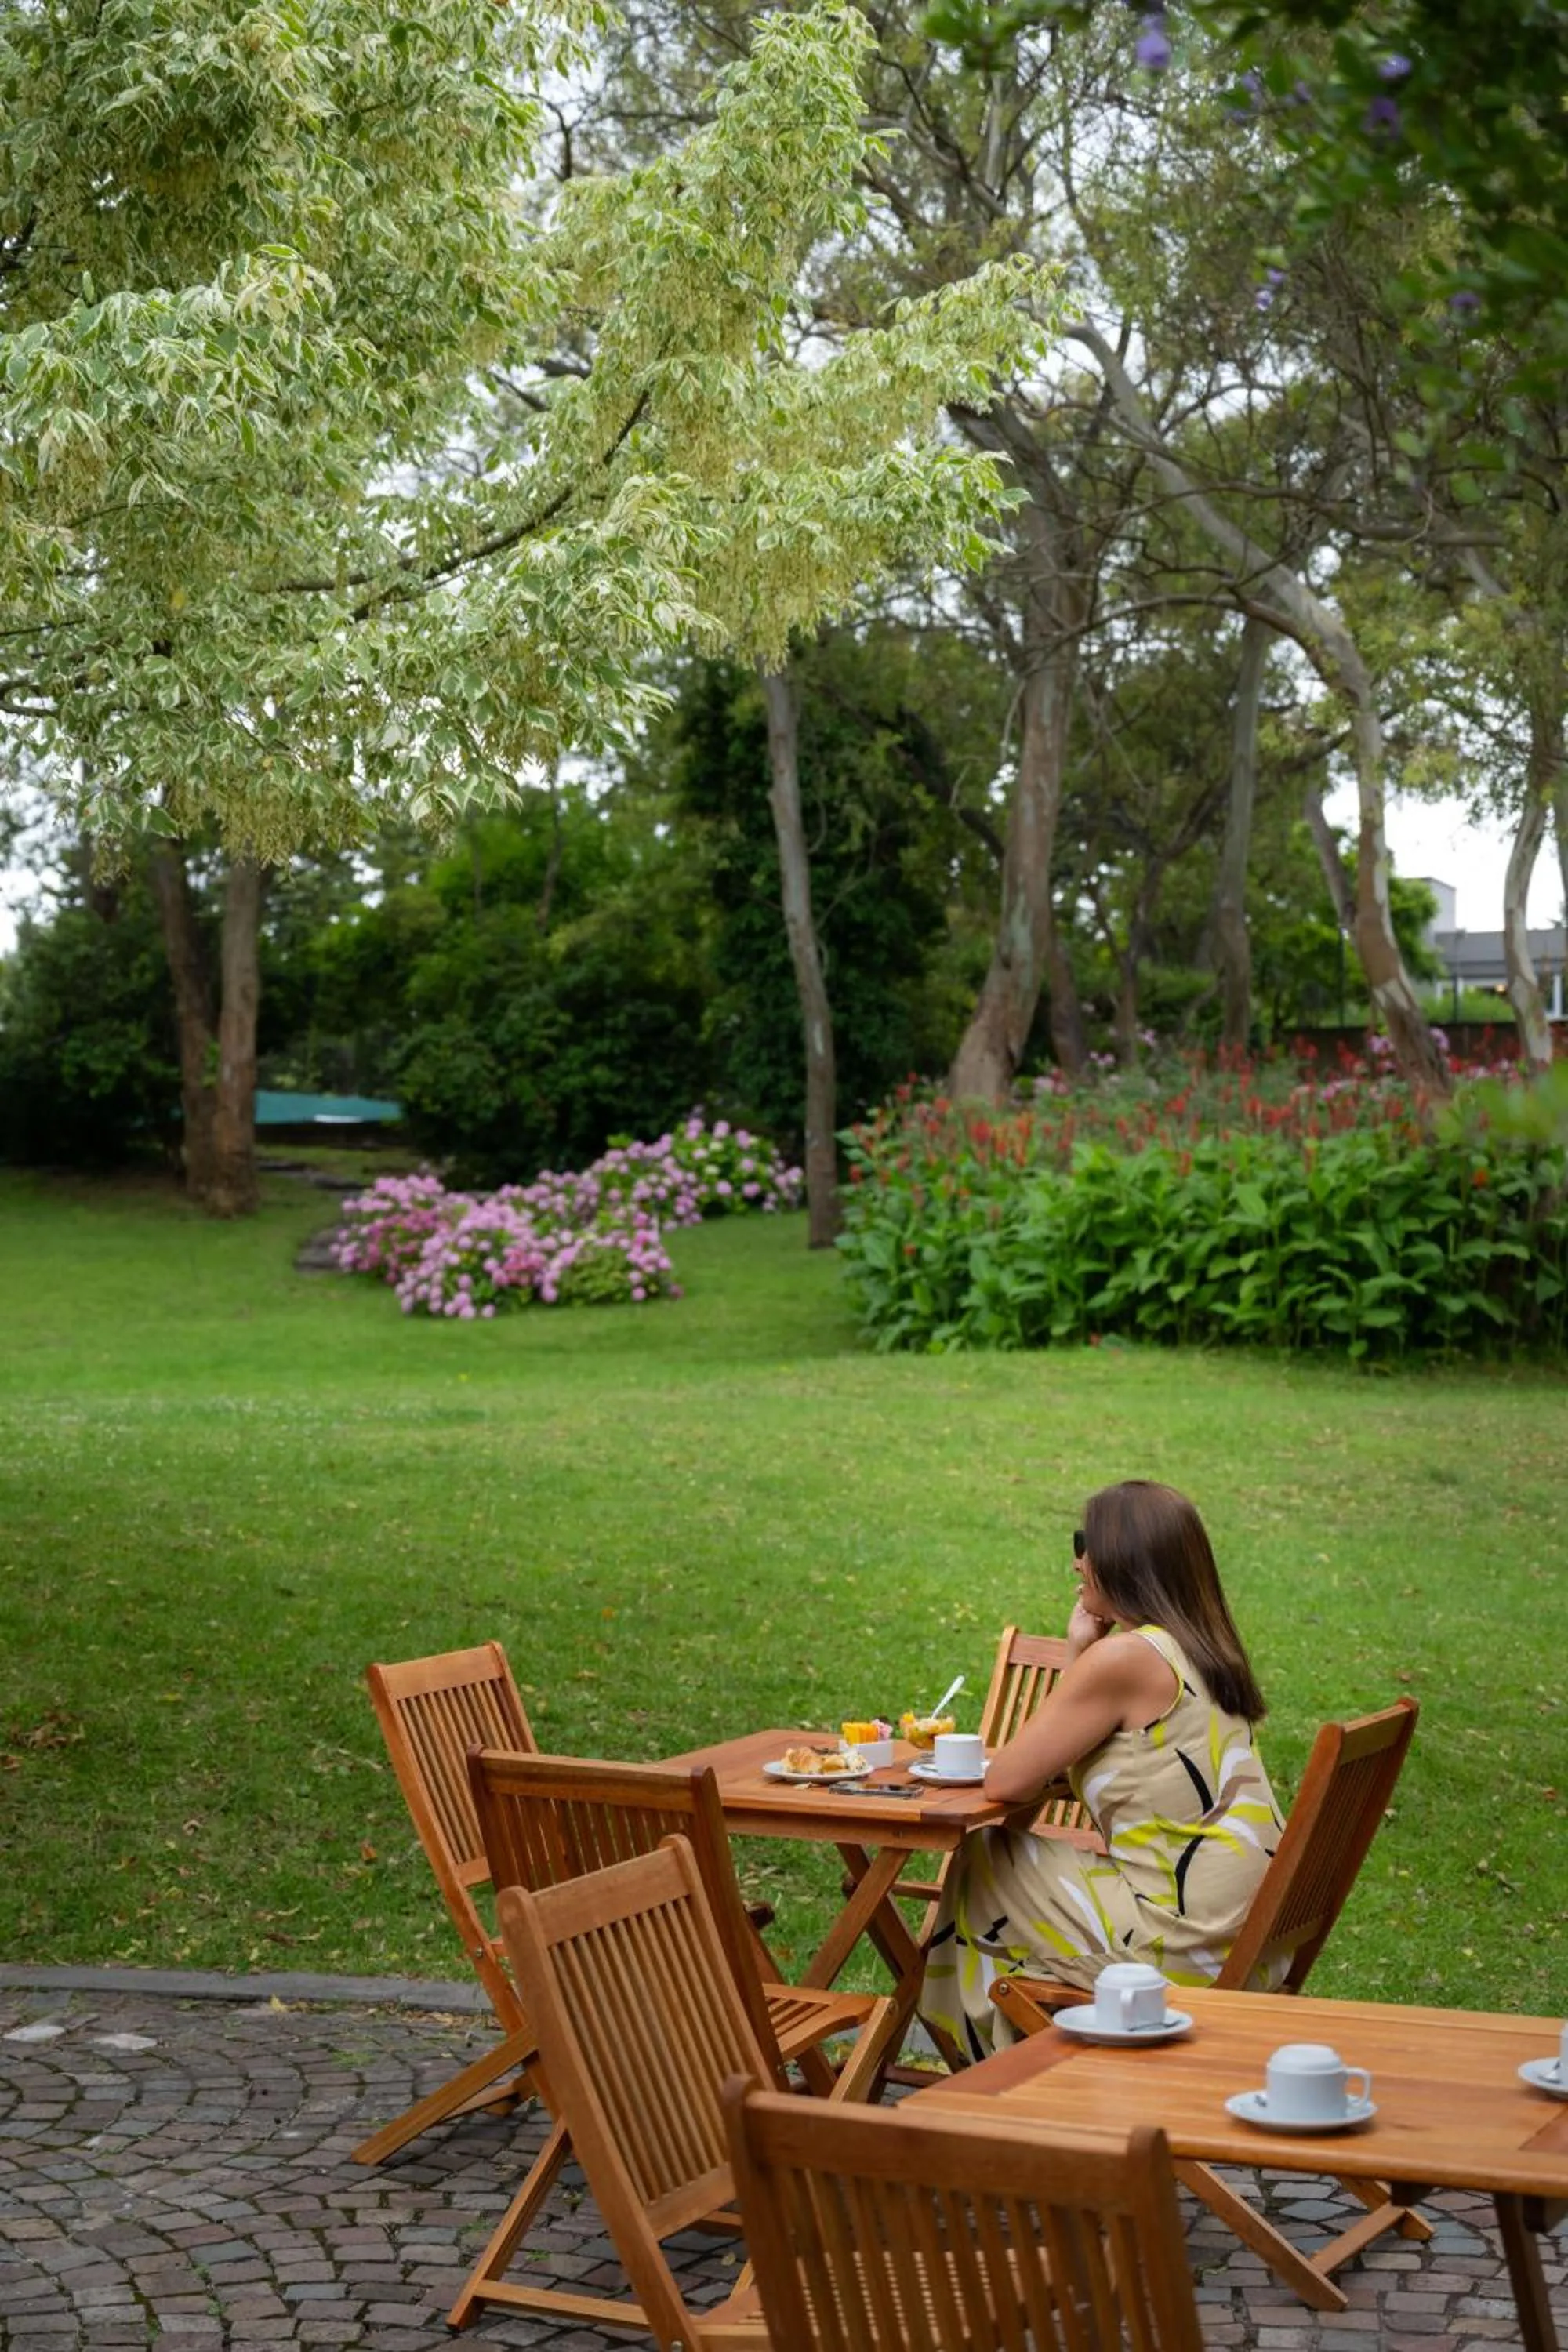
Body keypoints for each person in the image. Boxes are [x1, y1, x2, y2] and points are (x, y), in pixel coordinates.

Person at [920, 1479, 1284, 2063]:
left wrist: (1079, 1654)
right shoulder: (1200, 1647)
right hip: (1254, 1938)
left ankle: (984, 2077)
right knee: (1013, 1874)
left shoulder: (1127, 1659)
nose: (1077, 1559)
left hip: (1185, 1947)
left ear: (1121, 1560)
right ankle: (1031, 2061)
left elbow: (1007, 1781)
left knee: (985, 1858)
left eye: (1086, 1544)